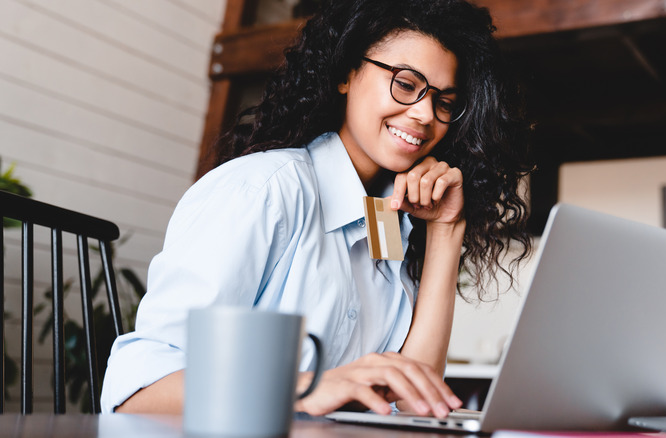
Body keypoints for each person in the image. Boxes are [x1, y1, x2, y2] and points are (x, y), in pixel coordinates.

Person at [101, 0, 533, 418]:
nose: (424, 114)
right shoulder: (263, 190)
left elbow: (410, 400)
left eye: (445, 103)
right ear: (346, 73)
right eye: (405, 84)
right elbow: (136, 391)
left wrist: (446, 229)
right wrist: (308, 388)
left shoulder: (387, 219)